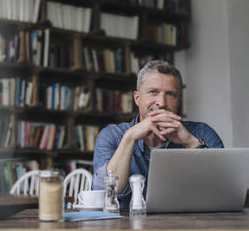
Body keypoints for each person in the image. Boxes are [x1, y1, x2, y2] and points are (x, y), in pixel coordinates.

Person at [92, 60, 224, 210]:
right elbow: (103, 194)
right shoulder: (112, 135)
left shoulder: (202, 133)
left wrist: (190, 142)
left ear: (178, 101)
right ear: (137, 98)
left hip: (187, 224)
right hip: (126, 228)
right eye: (153, 92)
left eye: (170, 94)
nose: (161, 102)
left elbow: (223, 188)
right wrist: (129, 138)